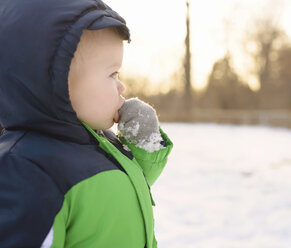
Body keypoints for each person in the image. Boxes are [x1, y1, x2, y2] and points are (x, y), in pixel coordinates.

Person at [0, 0, 173, 247]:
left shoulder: (98, 140)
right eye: (112, 74)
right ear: (57, 83)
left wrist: (143, 145)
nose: (121, 86)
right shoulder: (27, 169)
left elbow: (120, 186)